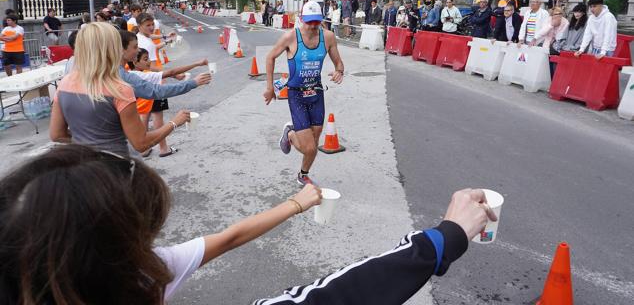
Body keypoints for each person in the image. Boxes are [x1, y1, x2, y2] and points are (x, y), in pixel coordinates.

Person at [0, 143, 497, 304]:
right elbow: (329, 297)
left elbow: (228, 238)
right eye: (142, 236)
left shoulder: (121, 273)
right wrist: (443, 238)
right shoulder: (137, 276)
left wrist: (298, 203)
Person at [49, 23, 190, 156]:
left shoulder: (65, 83)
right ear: (111, 49)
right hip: (116, 169)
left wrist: (89, 144)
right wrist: (175, 122)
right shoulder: (118, 88)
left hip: (82, 165)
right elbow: (141, 143)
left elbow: (57, 134)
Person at [263, 1, 345, 186]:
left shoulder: (328, 37)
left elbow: (339, 63)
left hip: (316, 94)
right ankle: (291, 134)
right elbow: (270, 57)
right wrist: (270, 88)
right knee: (309, 148)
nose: (313, 26)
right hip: (296, 95)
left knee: (313, 144)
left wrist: (340, 71)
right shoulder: (291, 37)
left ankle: (303, 174)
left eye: (316, 22)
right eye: (309, 22)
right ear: (301, 19)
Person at [117, 30, 212, 100]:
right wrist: (174, 123)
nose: (138, 50)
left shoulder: (119, 72)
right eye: (135, 47)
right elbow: (156, 91)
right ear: (121, 49)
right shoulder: (126, 76)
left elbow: (169, 73)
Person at [136, 13, 178, 157]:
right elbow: (153, 66)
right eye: (147, 25)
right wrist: (172, 73)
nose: (151, 27)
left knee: (144, 115)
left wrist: (165, 39)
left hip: (141, 82)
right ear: (139, 26)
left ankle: (144, 148)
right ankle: (163, 148)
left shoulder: (138, 38)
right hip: (154, 82)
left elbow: (152, 40)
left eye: (152, 24)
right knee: (157, 116)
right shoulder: (147, 43)